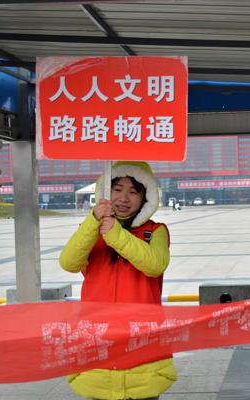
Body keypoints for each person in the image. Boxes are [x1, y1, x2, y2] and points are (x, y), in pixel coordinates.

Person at [59, 161, 176, 400]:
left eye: (133, 191)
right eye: (117, 189)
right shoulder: (90, 230)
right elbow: (69, 263)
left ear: (145, 198)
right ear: (105, 192)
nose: (124, 198)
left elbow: (155, 265)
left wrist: (114, 233)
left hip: (142, 337)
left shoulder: (155, 231)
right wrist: (94, 221)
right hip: (97, 336)